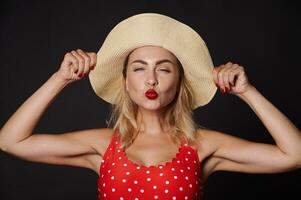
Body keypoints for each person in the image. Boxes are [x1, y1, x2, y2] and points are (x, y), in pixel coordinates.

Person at [0, 13, 300, 200]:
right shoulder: (102, 145)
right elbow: (11, 140)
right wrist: (61, 78)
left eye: (165, 69)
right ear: (125, 81)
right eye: (139, 69)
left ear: (180, 82)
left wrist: (247, 91)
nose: (152, 80)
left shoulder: (202, 146)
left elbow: (294, 155)